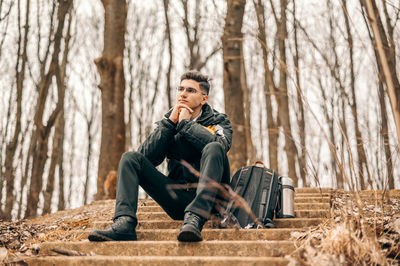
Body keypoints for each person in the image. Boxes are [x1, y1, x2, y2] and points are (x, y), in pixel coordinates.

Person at [88, 70, 232, 242]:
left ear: (204, 99)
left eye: (190, 90)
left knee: (214, 147)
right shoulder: (169, 123)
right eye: (180, 89)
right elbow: (143, 160)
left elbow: (222, 147)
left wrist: (186, 124)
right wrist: (169, 124)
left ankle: (195, 217)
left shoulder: (218, 121)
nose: (183, 94)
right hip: (178, 199)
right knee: (129, 157)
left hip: (212, 202)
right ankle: (124, 223)